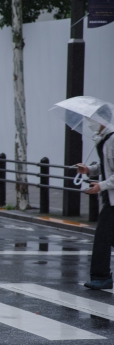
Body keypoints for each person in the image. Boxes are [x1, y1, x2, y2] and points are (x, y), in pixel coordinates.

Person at [76, 109, 114, 290]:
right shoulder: (104, 139)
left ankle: (102, 277)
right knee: (108, 236)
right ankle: (101, 276)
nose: (89, 123)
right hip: (109, 196)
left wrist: (101, 185)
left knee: (102, 236)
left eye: (91, 119)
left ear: (102, 120)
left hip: (112, 197)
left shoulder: (113, 139)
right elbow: (106, 165)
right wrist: (89, 170)